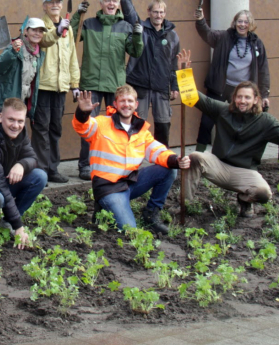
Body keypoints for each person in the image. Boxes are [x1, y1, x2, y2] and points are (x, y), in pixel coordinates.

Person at [180, 49, 279, 218]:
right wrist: (183, 73)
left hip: (245, 171)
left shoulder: (265, 121)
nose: (242, 101)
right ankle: (185, 205)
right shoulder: (223, 111)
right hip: (218, 164)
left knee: (263, 193)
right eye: (239, 97)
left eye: (247, 98)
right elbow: (195, 98)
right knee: (195, 156)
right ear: (234, 98)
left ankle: (244, 200)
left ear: (256, 99)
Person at [72, 85, 190, 234]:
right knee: (130, 231)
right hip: (109, 188)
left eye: (129, 101)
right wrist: (83, 112)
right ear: (115, 104)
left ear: (136, 104)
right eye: (122, 101)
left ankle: (151, 213)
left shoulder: (141, 130)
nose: (126, 104)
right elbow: (82, 127)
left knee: (169, 169)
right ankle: (103, 209)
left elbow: (158, 151)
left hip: (130, 183)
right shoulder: (101, 124)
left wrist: (176, 160)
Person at [72, 0, 144, 180]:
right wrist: (78, 15)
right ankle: (85, 165)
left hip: (115, 85)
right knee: (88, 126)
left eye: (114, 1)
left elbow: (136, 52)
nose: (111, 4)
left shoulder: (126, 27)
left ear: (118, 4)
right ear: (101, 4)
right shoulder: (88, 24)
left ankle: (119, 163)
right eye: (107, 1)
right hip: (91, 83)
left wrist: (138, 36)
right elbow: (70, 35)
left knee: (119, 126)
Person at [194, 8, 270, 152]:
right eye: (239, 21)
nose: (242, 24)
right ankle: (199, 155)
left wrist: (264, 94)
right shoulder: (224, 37)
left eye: (246, 22)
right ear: (234, 23)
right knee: (206, 122)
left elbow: (263, 70)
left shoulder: (256, 43)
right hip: (219, 87)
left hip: (241, 91)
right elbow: (207, 34)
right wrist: (200, 20)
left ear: (251, 24)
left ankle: (233, 156)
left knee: (239, 123)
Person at [118, 0, 180, 147]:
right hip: (140, 86)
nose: (158, 15)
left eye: (161, 12)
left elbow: (174, 64)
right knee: (137, 125)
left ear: (165, 14)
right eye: (155, 12)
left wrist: (174, 87)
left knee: (163, 125)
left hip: (161, 88)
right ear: (149, 12)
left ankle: (162, 162)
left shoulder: (172, 36)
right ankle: (134, 161)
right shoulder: (141, 29)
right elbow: (129, 11)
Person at [0, 98, 48, 249]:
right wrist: (19, 226)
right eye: (11, 119)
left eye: (20, 121)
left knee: (39, 176)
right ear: (0, 117)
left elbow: (32, 157)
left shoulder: (20, 131)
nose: (16, 125)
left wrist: (21, 165)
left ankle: (6, 222)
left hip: (1, 180)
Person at [31, 0, 81, 183]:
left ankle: (52, 169)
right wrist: (57, 30)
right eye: (50, 2)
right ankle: (41, 171)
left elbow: (71, 58)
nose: (55, 5)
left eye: (58, 2)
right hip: (43, 86)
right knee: (41, 129)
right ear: (44, 6)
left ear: (61, 6)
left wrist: (74, 84)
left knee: (55, 129)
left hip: (60, 88)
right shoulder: (39, 25)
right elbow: (43, 41)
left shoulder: (66, 29)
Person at [0, 18, 47, 116]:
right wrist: (12, 52)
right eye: (34, 30)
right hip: (1, 104)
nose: (37, 33)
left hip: (18, 104)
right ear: (26, 31)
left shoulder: (39, 54)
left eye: (40, 31)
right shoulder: (16, 47)